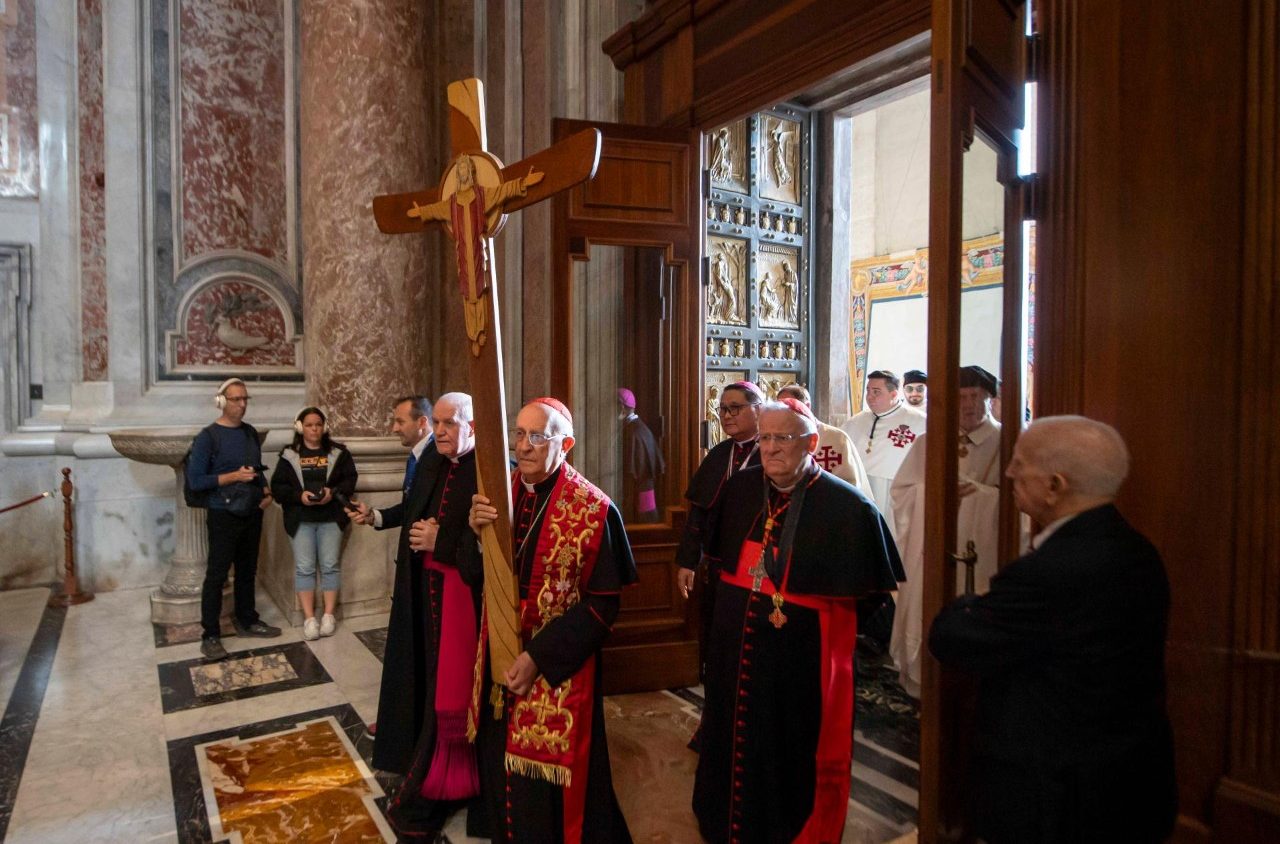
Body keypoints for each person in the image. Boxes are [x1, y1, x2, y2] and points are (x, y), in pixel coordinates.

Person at [929, 416, 1176, 843]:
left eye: (1020, 463)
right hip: (1129, 775)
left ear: (1055, 485)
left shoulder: (1050, 572)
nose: (1009, 472)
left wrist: (971, 603)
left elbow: (952, 637)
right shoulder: (1138, 550)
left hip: (1058, 793)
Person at [686, 399, 903, 843]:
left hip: (797, 662)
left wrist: (804, 628)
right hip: (733, 650)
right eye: (765, 437)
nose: (770, 448)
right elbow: (719, 558)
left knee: (783, 747)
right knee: (729, 734)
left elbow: (871, 601)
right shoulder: (740, 489)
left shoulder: (848, 508)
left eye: (783, 438)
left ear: (811, 442)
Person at [463, 397, 637, 843]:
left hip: (556, 668)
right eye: (519, 434)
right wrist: (477, 537)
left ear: (566, 444)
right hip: (499, 656)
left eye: (538, 436)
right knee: (498, 764)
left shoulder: (594, 509)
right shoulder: (499, 495)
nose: (523, 446)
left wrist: (539, 656)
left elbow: (602, 606)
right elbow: (475, 577)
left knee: (543, 796)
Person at [355, 393, 486, 839]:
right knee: (424, 680)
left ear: (473, 426)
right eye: (439, 423)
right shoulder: (433, 461)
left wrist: (439, 540)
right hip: (423, 592)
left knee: (451, 690)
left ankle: (452, 779)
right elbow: (414, 516)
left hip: (461, 599)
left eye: (450, 423)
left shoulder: (488, 470)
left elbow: (494, 550)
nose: (441, 431)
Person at [889, 365, 1004, 697]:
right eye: (961, 397)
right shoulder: (931, 441)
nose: (968, 405)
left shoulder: (1007, 439)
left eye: (975, 396)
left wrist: (982, 496)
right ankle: (924, 684)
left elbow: (1022, 505)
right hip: (932, 547)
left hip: (985, 552)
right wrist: (933, 492)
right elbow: (902, 492)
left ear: (989, 398)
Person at [675, 380, 764, 684]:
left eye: (735, 408)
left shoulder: (772, 454)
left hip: (758, 569)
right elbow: (697, 515)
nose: (726, 415)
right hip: (718, 568)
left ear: (758, 409)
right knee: (718, 636)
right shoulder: (718, 454)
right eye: (723, 409)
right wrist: (687, 561)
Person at [187, 378, 281, 660]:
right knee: (217, 575)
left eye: (244, 399)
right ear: (221, 401)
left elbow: (256, 468)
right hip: (222, 513)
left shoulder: (250, 433)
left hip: (252, 510)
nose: (242, 404)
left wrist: (265, 491)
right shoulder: (208, 437)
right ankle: (210, 635)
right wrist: (232, 477)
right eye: (236, 399)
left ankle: (247, 620)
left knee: (247, 570)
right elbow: (196, 481)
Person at [269, 407, 358, 640]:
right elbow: (277, 488)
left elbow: (350, 480)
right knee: (305, 568)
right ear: (300, 427)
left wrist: (332, 492)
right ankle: (309, 618)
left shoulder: (339, 453)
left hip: (331, 518)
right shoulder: (289, 455)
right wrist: (299, 496)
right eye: (309, 425)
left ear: (324, 426)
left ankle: (328, 615)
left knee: (330, 565)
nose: (314, 429)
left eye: (318, 424)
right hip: (301, 520)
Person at [840, 370, 926, 535]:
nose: (869, 397)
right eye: (868, 391)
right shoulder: (856, 421)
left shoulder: (919, 422)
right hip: (862, 487)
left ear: (893, 394)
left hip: (898, 491)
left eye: (876, 392)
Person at [776, 382, 870, 490]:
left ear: (807, 406)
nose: (781, 413)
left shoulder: (837, 438)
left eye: (788, 406)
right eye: (778, 407)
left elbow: (850, 485)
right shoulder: (776, 437)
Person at [617, 387, 665, 523]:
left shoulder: (634, 430)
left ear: (622, 407)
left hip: (640, 489)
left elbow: (633, 469)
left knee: (646, 523)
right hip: (643, 487)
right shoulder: (637, 427)